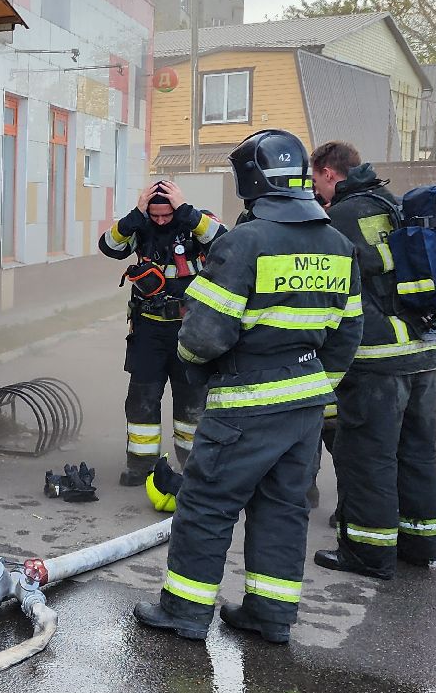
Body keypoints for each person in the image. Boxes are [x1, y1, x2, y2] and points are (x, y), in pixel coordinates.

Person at [132, 129, 363, 645]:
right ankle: (270, 615)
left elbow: (204, 336)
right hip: (304, 411)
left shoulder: (244, 243)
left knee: (207, 505)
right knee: (283, 510)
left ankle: (186, 613)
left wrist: (194, 369)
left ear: (251, 181)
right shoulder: (338, 244)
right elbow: (349, 333)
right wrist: (311, 385)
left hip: (243, 408)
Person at [308, 141, 436, 579]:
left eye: (315, 180)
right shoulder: (393, 204)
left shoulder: (343, 216)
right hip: (424, 353)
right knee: (417, 453)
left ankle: (368, 554)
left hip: (377, 360)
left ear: (330, 173)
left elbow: (327, 285)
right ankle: (420, 544)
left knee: (368, 456)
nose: (315, 190)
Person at [98, 177, 225, 495]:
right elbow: (108, 247)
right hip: (148, 330)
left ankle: (191, 466)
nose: (160, 220)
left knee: (191, 404)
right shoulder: (139, 227)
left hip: (189, 330)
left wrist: (187, 212)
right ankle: (141, 466)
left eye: (166, 215)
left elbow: (224, 241)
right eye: (154, 215)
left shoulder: (194, 221)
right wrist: (135, 215)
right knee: (141, 400)